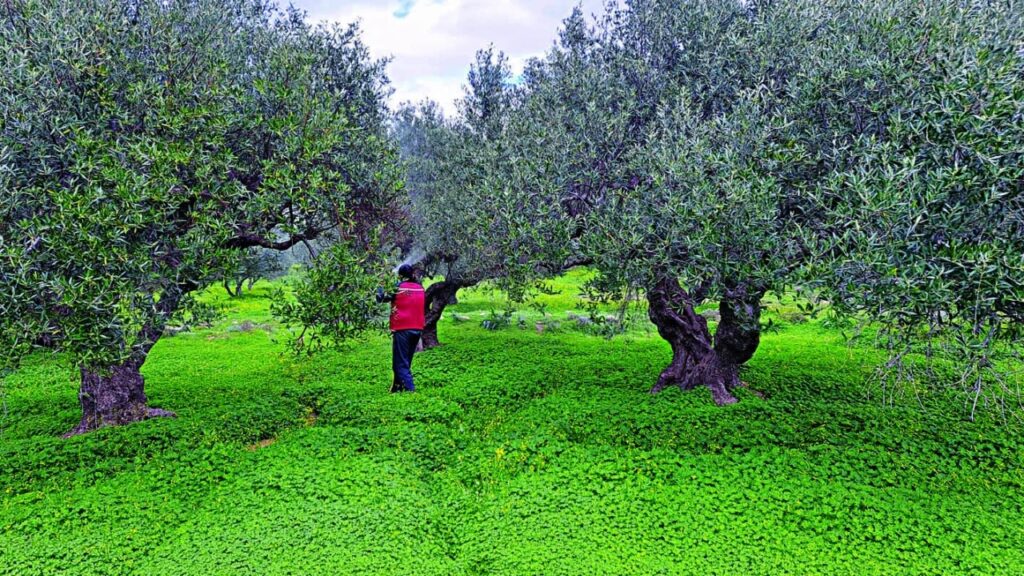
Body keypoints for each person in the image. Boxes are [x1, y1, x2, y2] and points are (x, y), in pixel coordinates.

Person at [376, 264, 425, 392]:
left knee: (399, 363)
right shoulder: (420, 288)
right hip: (418, 329)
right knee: (405, 361)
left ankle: (410, 391)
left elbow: (380, 298)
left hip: (403, 328)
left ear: (400, 275)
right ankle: (397, 389)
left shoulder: (397, 288)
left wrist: (381, 284)